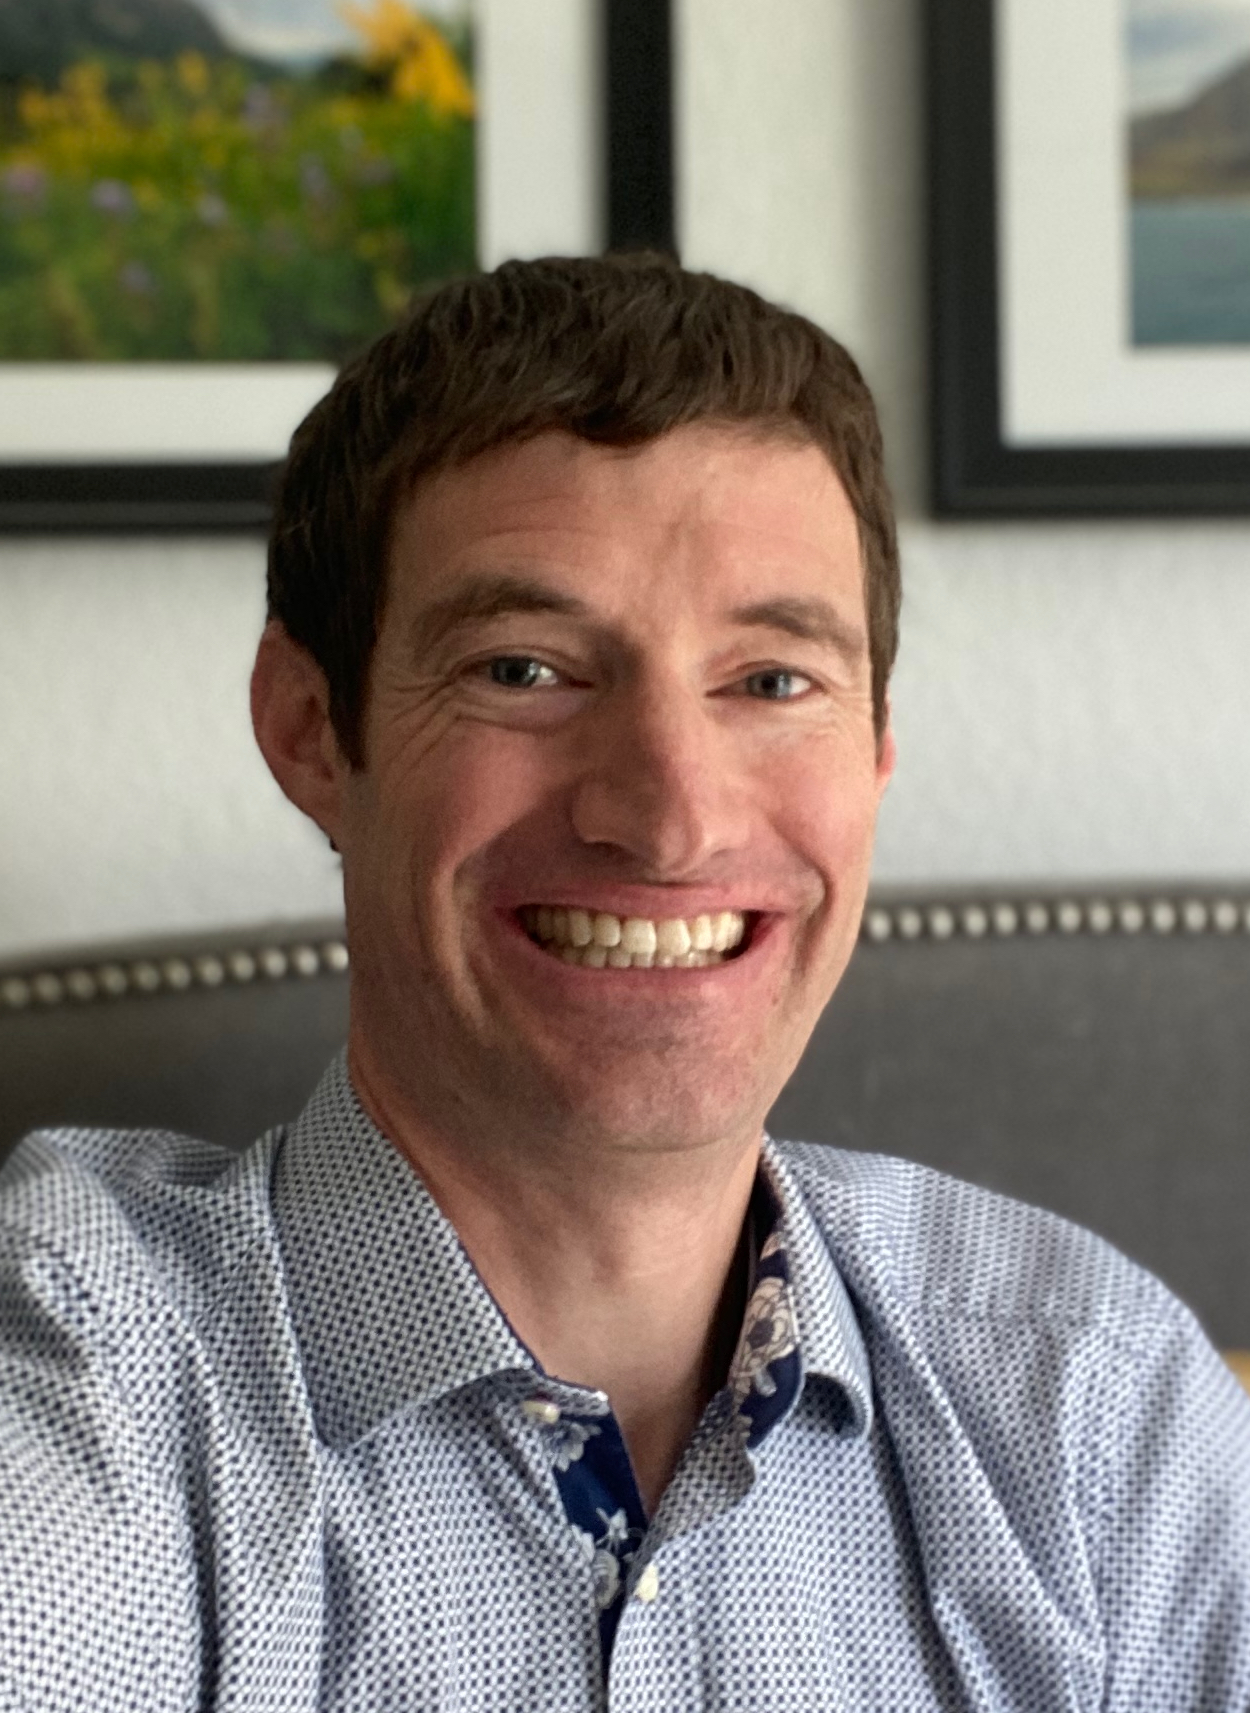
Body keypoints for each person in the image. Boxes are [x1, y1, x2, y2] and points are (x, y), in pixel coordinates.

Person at [1, 253, 1248, 1713]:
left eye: (771, 680)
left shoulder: (1094, 1403)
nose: (668, 816)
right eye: (525, 669)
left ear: (876, 748)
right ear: (309, 730)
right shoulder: (84, 1382)